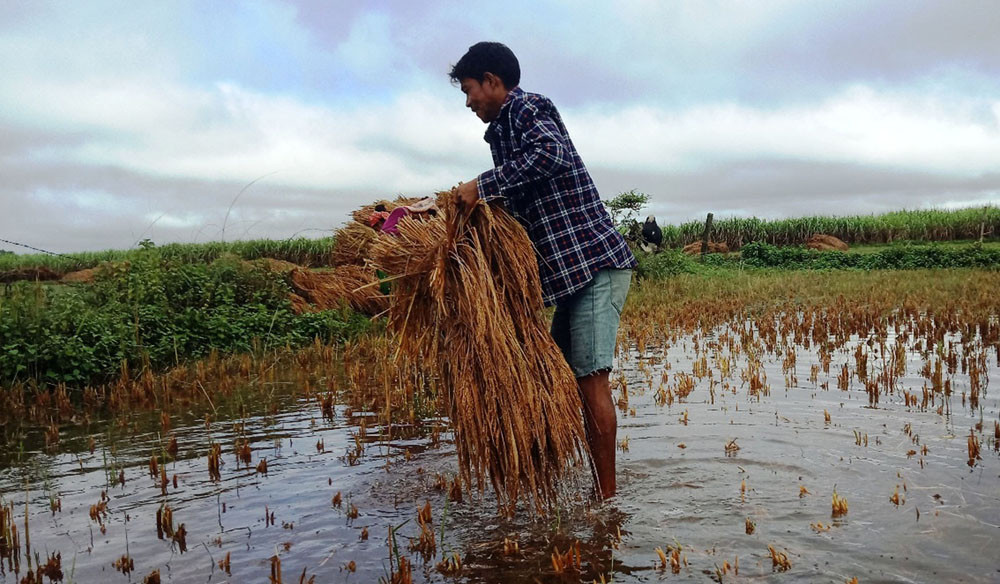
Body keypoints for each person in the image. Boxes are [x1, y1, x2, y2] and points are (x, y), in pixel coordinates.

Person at [450, 42, 637, 500]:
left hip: (594, 265)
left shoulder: (528, 108)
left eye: (470, 90)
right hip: (571, 277)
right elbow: (515, 192)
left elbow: (551, 156)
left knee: (590, 380)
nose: (468, 101)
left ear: (492, 81)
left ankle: (606, 500)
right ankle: (569, 479)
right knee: (558, 377)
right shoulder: (501, 135)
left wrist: (482, 185)